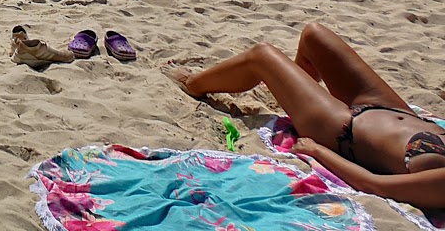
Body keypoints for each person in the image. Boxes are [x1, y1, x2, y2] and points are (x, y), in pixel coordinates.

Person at [166, 24, 444, 211]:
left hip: (342, 130)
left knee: (262, 55)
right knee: (314, 35)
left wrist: (318, 151)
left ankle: (194, 83)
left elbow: (373, 185)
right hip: (391, 109)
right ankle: (296, 94)